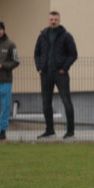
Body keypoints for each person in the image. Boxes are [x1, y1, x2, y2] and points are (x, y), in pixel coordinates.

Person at [33, 11, 77, 139]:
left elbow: (73, 54)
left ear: (59, 20)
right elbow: (36, 53)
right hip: (45, 74)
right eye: (51, 19)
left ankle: (70, 131)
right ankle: (49, 130)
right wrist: (39, 67)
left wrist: (64, 67)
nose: (53, 21)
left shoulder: (66, 36)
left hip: (60, 74)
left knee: (66, 101)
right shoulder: (43, 36)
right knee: (46, 103)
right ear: (48, 20)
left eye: (55, 19)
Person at [0, 21, 20, 141]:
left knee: (5, 107)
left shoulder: (10, 44)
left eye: (0, 29)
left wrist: (2, 66)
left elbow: (16, 61)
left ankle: (2, 131)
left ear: (3, 30)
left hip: (5, 81)